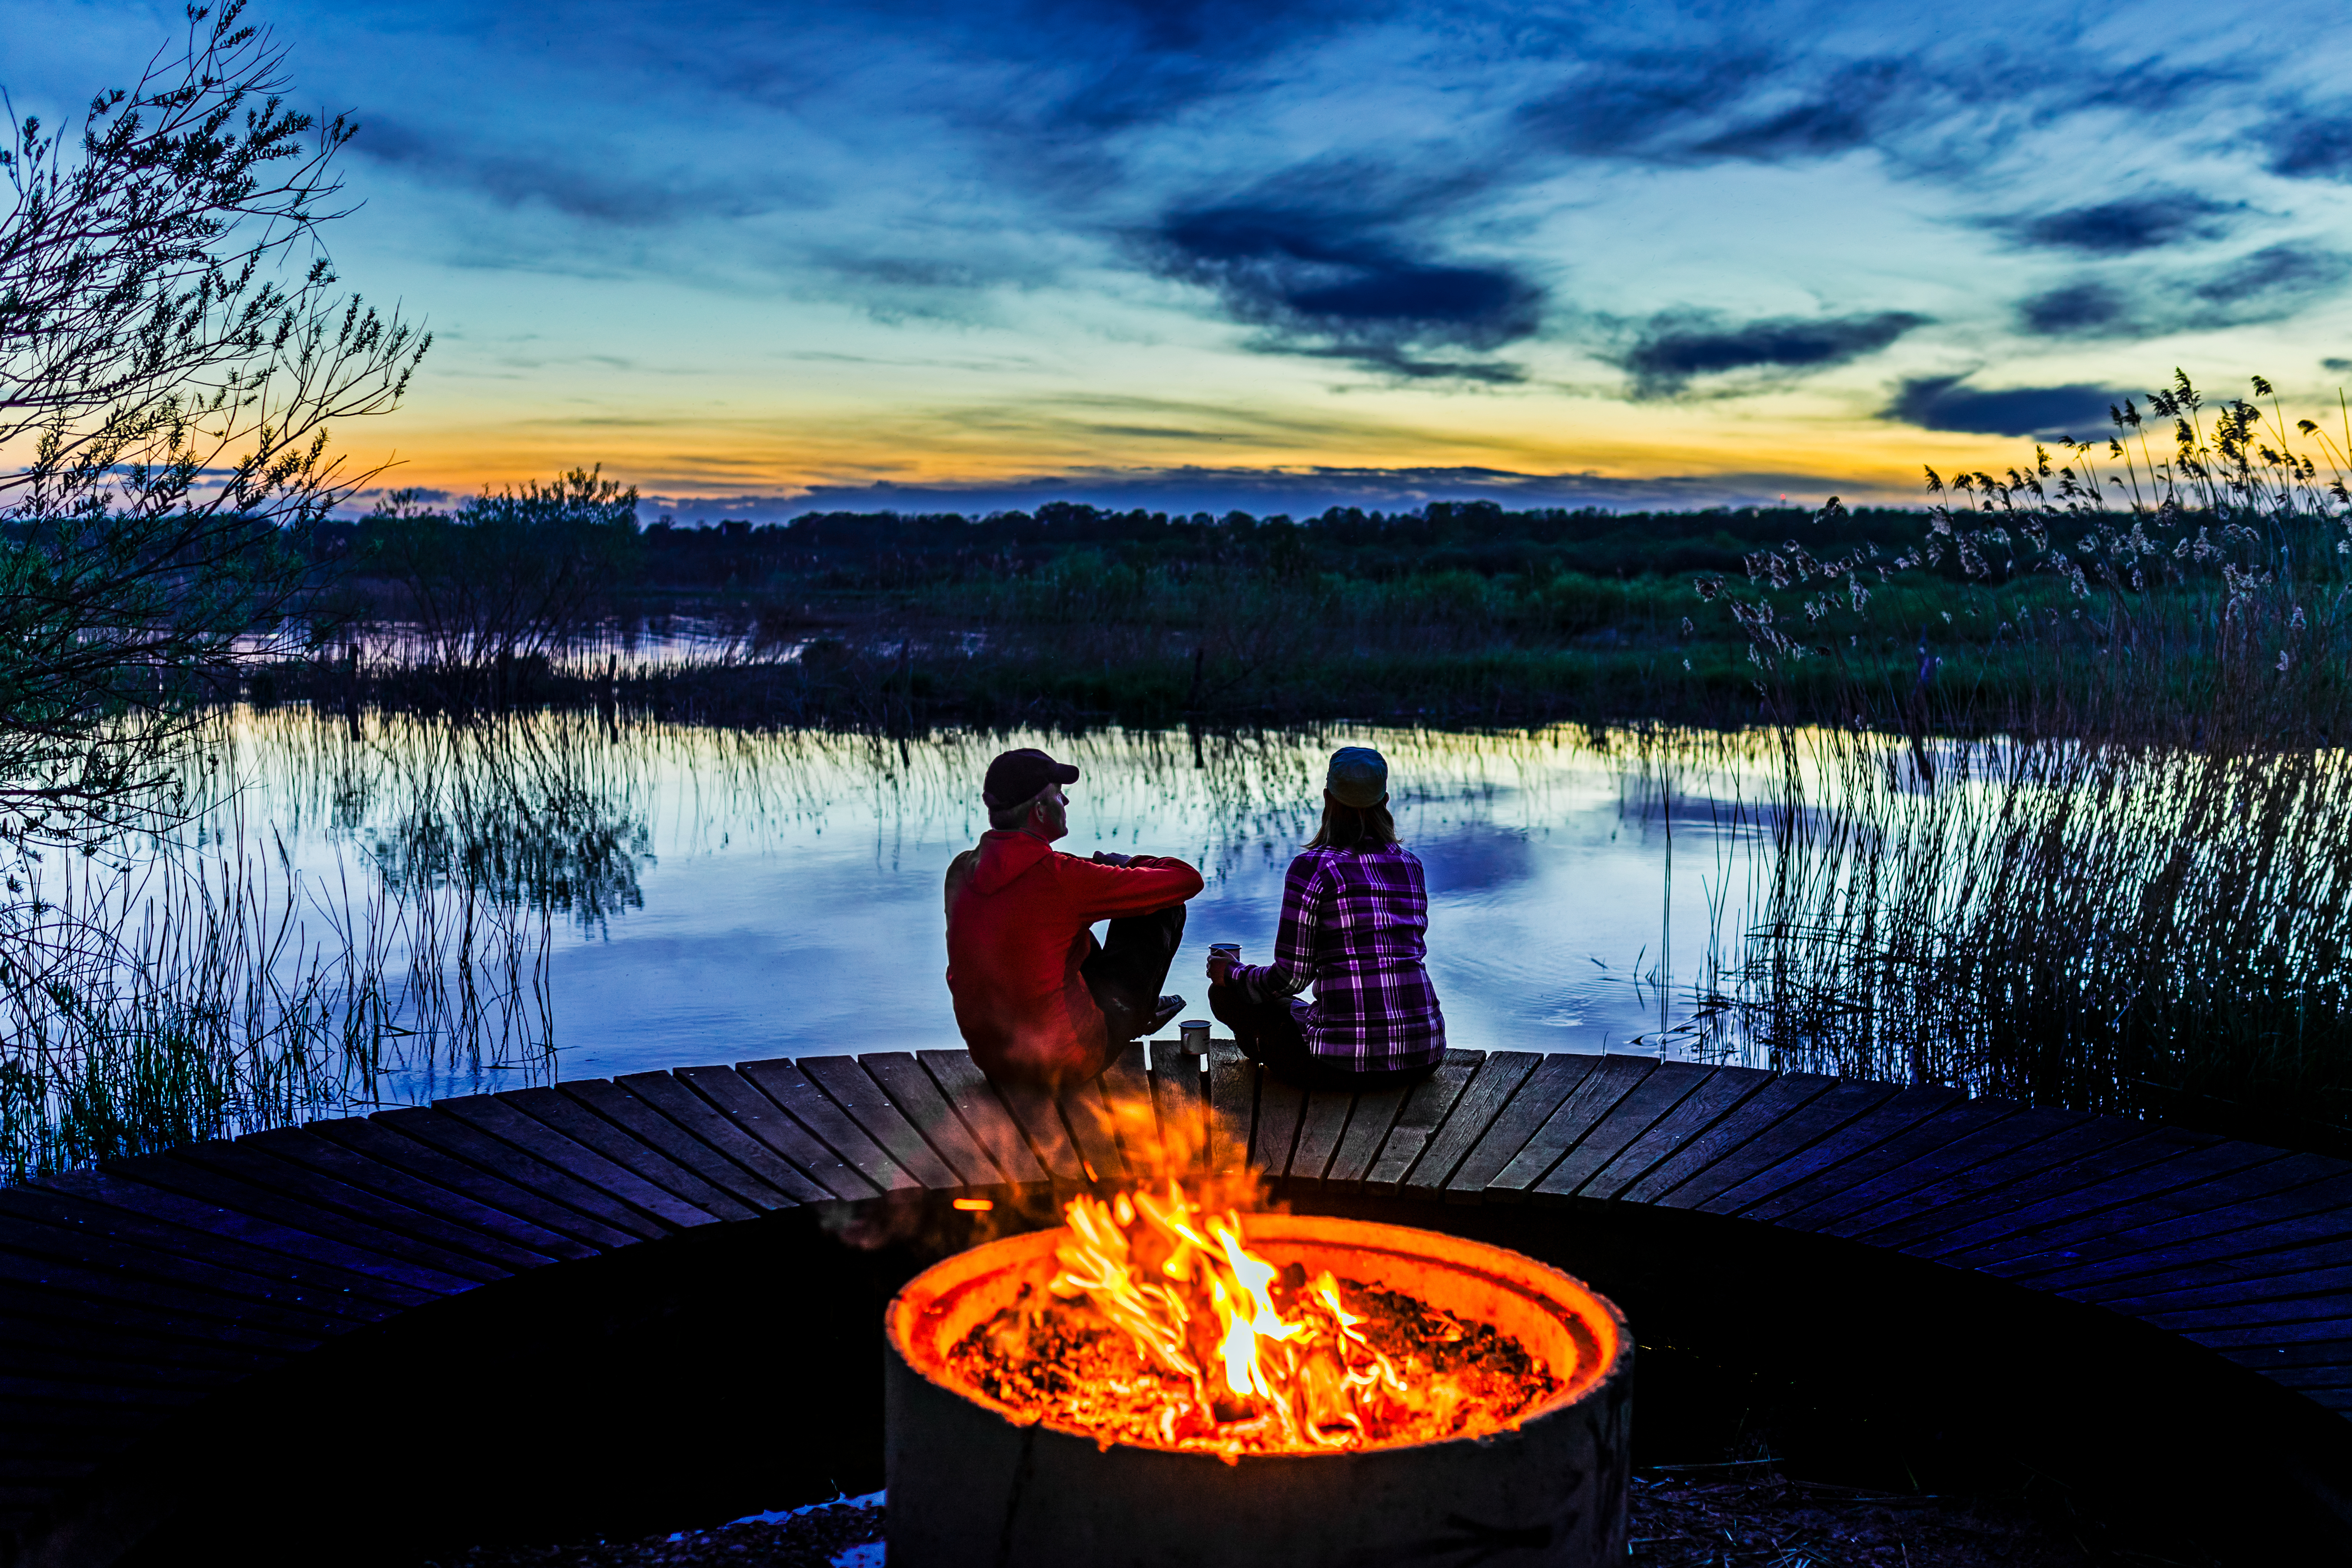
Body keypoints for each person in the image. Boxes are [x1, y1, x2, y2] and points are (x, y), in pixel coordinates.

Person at [946, 747, 1202, 1087]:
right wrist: (1125, 865)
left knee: (1059, 933)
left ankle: (1137, 1010)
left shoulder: (961, 871)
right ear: (1039, 811)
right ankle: (1135, 1014)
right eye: (1059, 796)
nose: (1065, 804)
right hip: (1063, 1066)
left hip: (995, 1063)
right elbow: (1186, 879)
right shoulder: (1063, 878)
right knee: (1162, 906)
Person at [1206, 746, 1444, 1090]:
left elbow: (1290, 979)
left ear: (1327, 799)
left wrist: (1231, 973)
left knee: (1227, 994)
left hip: (1338, 1066)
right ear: (1386, 801)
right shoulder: (1412, 866)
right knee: (1291, 1005)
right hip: (1424, 1056)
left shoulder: (1313, 868)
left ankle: (1262, 1047)